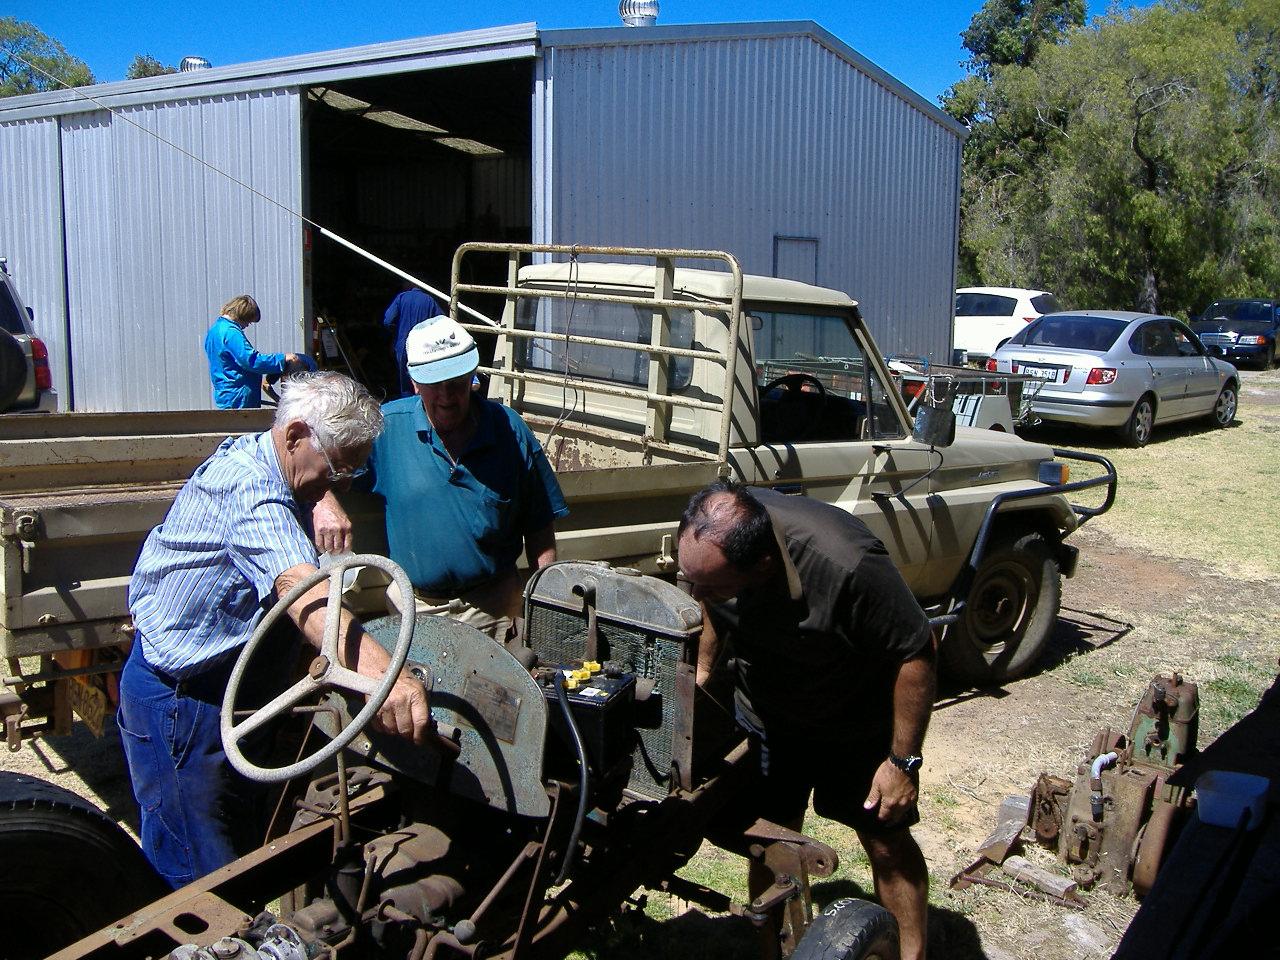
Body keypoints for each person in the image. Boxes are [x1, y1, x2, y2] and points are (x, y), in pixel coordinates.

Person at [118, 371, 431, 889]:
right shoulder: (249, 488)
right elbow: (303, 593)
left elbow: (297, 476)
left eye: (353, 473)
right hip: (180, 702)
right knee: (200, 876)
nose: (345, 486)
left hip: (228, 690)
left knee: (245, 845)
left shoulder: (265, 450)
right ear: (294, 436)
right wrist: (388, 678)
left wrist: (321, 491)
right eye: (338, 469)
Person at [677, 479, 935, 960]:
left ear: (764, 566)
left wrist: (903, 762)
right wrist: (706, 670)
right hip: (769, 712)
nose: (697, 592)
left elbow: (917, 652)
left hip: (850, 719)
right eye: (691, 578)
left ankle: (912, 953)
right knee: (771, 837)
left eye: (710, 583)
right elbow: (709, 602)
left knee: (884, 839)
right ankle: (772, 950)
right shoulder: (714, 543)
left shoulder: (846, 562)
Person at [317, 315, 568, 641]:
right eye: (435, 385)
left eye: (457, 382)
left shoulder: (509, 430)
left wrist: (543, 610)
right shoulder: (387, 428)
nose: (448, 396)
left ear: (472, 378)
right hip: (415, 609)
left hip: (495, 609)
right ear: (415, 382)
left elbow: (539, 528)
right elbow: (316, 462)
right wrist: (324, 501)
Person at [203, 294, 305, 408]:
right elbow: (251, 361)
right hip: (239, 396)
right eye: (249, 321)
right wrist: (282, 358)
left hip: (226, 394)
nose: (247, 325)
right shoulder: (231, 333)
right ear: (243, 315)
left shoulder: (214, 330)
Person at [383, 283, 444, 398]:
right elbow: (442, 320)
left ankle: (408, 405)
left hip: (403, 344)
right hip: (425, 345)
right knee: (423, 377)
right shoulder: (429, 300)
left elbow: (388, 321)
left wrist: (396, 332)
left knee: (405, 382)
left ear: (407, 285)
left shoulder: (401, 298)